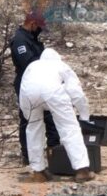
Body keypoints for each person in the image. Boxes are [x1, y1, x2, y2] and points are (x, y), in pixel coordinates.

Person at [20, 48, 94, 183]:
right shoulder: (61, 66)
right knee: (69, 128)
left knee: (33, 130)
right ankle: (82, 170)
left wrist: (28, 116)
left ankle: (38, 172)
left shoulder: (32, 66)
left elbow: (23, 88)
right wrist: (84, 116)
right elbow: (76, 93)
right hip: (52, 92)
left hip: (29, 94)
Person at [10, 11, 59, 165]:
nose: (40, 31)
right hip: (27, 85)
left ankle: (54, 151)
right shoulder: (20, 41)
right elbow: (28, 63)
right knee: (28, 118)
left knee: (50, 116)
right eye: (38, 27)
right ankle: (27, 155)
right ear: (32, 24)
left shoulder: (32, 38)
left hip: (42, 83)